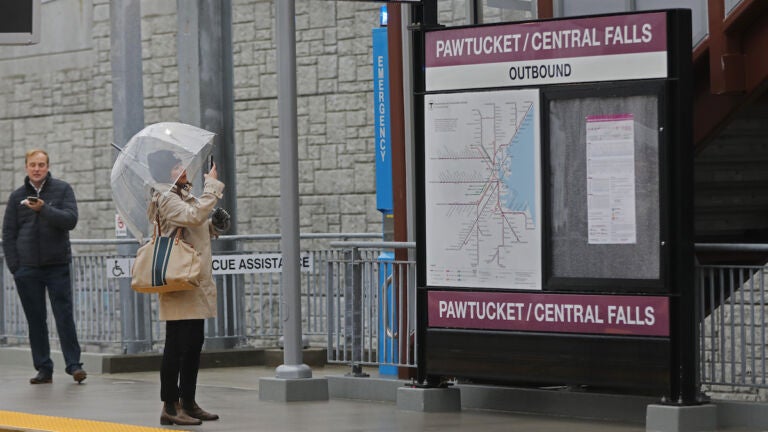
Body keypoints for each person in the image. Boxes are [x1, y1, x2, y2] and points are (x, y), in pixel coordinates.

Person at [146, 150, 230, 426]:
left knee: (193, 343)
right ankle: (170, 405)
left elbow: (197, 225)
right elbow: (192, 217)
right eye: (176, 167)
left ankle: (188, 402)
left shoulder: (182, 196)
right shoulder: (164, 197)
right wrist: (212, 187)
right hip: (178, 277)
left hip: (194, 277)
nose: (182, 170)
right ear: (166, 172)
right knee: (176, 344)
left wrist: (215, 225)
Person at [2, 149, 87, 384]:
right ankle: (43, 368)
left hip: (56, 264)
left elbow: (70, 220)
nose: (37, 169)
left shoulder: (62, 189)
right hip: (27, 269)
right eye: (33, 165)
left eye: (41, 164)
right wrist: (15, 266)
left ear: (48, 166)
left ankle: (74, 365)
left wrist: (44, 209)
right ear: (26, 167)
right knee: (36, 319)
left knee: (64, 315)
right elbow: (8, 233)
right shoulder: (16, 196)